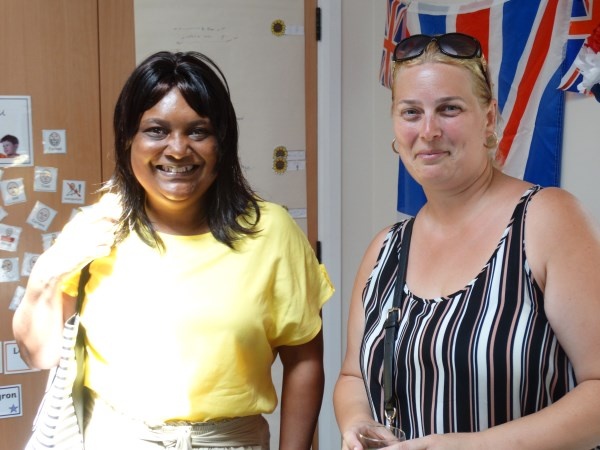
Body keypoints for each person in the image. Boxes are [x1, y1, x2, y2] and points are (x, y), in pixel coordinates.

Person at [13, 50, 334, 450]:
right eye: (157, 130)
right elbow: (39, 354)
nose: (178, 150)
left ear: (222, 142)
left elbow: (304, 360)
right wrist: (49, 270)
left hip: (231, 442)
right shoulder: (97, 229)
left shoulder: (271, 232)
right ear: (128, 140)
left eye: (198, 131)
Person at [333, 33, 600, 449]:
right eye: (411, 112)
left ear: (488, 119)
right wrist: (357, 422)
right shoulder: (385, 250)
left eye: (449, 109)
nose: (428, 131)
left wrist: (475, 446)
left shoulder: (547, 220)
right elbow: (353, 376)